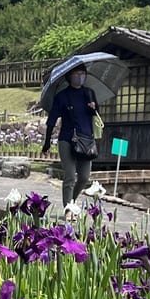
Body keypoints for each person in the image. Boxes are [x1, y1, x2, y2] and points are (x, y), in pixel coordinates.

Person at [41, 63, 98, 208]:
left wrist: (93, 108)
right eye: (76, 74)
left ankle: (71, 202)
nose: (80, 77)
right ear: (69, 77)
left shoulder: (89, 93)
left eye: (82, 74)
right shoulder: (62, 96)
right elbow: (52, 120)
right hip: (67, 139)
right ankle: (68, 209)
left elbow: (96, 114)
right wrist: (47, 142)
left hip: (86, 140)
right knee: (70, 175)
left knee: (84, 177)